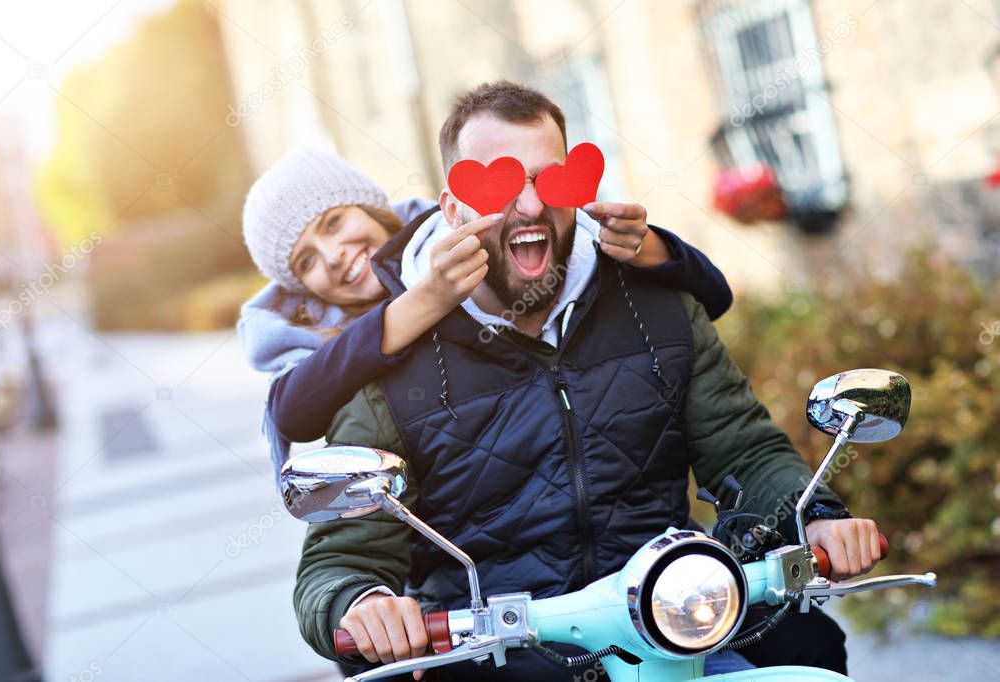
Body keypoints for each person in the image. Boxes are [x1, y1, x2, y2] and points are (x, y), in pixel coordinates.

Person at [291, 82, 876, 680]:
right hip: (498, 652)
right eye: (499, 185)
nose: (528, 207)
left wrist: (815, 515)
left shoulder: (659, 305)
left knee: (810, 650)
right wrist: (363, 604)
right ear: (453, 209)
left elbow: (745, 450)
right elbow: (339, 558)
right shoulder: (386, 361)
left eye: (549, 181)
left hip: (675, 619)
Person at [236, 149, 735, 481]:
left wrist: (646, 247)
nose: (333, 255)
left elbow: (713, 298)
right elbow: (292, 411)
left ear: (369, 207)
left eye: (334, 222)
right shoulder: (319, 335)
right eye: (306, 260)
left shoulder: (456, 241)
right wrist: (428, 300)